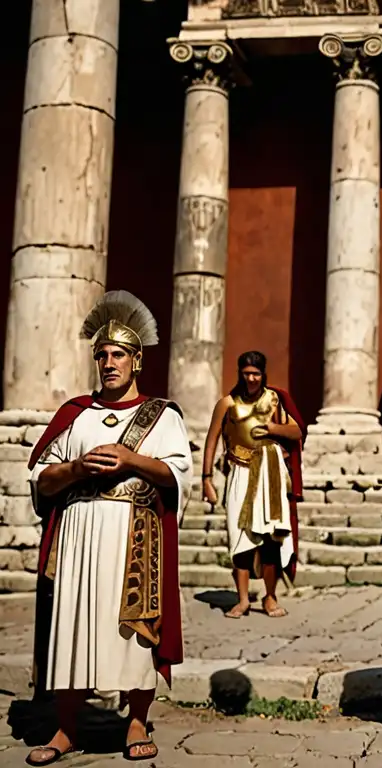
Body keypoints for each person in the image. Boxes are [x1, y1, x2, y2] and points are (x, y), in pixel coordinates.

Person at [26, 290, 192, 764]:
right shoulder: (75, 415)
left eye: (118, 354)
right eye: (101, 355)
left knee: (133, 635)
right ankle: (65, 728)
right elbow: (42, 476)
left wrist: (131, 458)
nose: (108, 362)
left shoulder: (162, 415)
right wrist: (77, 468)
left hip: (134, 536)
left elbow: (177, 472)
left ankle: (136, 721)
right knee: (72, 627)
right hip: (78, 534)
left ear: (137, 360)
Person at [201, 351, 306, 619]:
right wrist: (207, 479)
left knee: (272, 538)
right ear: (240, 373)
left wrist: (272, 429)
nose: (251, 379)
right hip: (239, 471)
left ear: (263, 374)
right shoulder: (227, 403)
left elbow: (297, 432)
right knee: (239, 538)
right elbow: (212, 439)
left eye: (256, 374)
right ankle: (243, 599)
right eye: (246, 373)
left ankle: (270, 597)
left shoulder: (274, 400)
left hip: (270, 471)